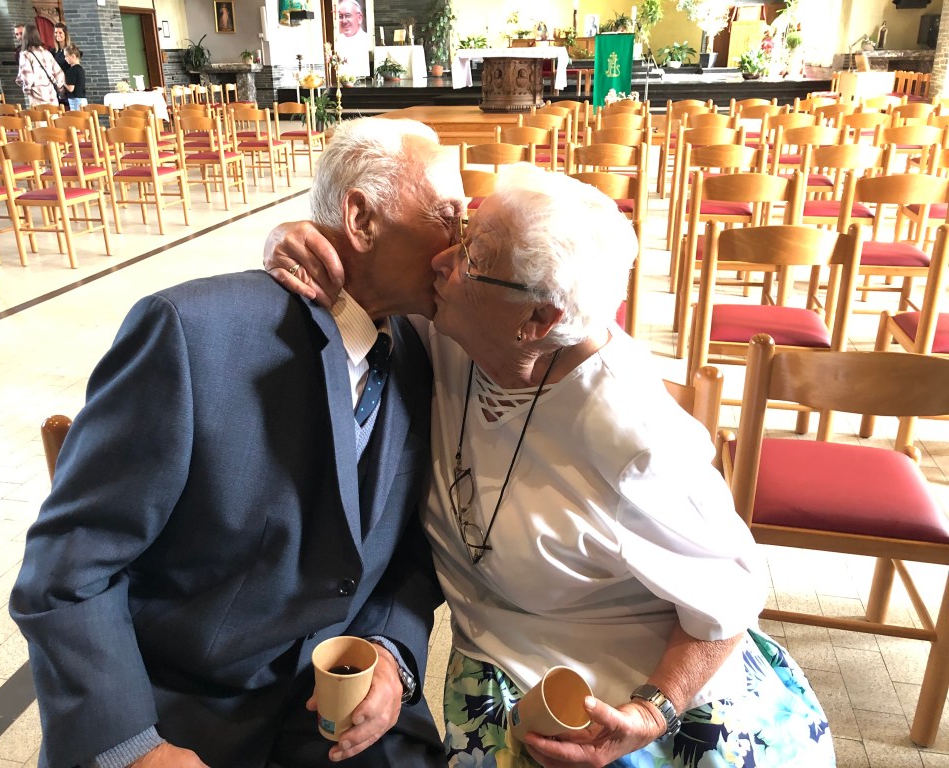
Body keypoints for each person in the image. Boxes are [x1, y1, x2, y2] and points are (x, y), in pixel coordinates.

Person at [264, 167, 837, 767]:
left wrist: (652, 712)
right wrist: (291, 240)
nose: (441, 260)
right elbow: (357, 277)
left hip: (628, 679)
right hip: (500, 656)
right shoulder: (455, 327)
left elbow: (729, 594)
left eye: (472, 256)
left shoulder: (635, 438)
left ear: (538, 321)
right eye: (464, 233)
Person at [10, 118, 466, 768]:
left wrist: (393, 655)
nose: (460, 242)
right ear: (361, 219)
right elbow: (66, 568)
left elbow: (412, 550)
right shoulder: (193, 335)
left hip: (340, 696)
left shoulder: (426, 349)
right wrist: (132, 747)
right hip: (184, 706)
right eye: (447, 217)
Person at [16, 23, 64, 107]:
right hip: (51, 96)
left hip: (37, 97)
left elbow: (27, 77)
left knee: (38, 116)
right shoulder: (46, 53)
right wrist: (59, 87)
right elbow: (59, 73)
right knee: (54, 115)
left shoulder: (25, 55)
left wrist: (27, 90)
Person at [335, 0, 370, 78]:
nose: (344, 21)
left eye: (348, 16)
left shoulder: (367, 39)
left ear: (359, 18)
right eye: (340, 16)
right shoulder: (336, 41)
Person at [50, 22, 71, 106]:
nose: (57, 35)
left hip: (68, 83)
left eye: (60, 32)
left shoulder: (71, 49)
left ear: (65, 34)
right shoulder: (53, 51)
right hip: (58, 85)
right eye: (56, 32)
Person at [63, 45, 86, 111]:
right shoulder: (81, 69)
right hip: (83, 99)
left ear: (73, 56)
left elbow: (71, 89)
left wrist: (63, 82)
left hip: (75, 100)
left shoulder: (71, 71)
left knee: (75, 117)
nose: (65, 58)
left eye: (66, 56)